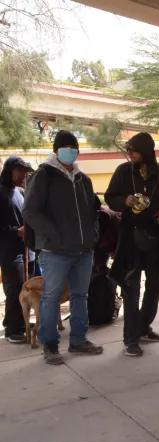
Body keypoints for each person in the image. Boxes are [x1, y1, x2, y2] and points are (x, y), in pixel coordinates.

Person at [22, 130, 103, 365]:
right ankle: (50, 345)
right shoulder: (44, 175)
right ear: (56, 150)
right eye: (65, 147)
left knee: (80, 295)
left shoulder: (83, 179)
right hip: (54, 251)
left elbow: (94, 212)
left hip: (83, 249)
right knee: (50, 297)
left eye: (73, 148)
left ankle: (78, 340)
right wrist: (52, 234)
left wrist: (92, 234)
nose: (69, 151)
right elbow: (30, 211)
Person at [105, 132, 159, 357]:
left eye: (133, 149)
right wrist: (124, 201)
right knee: (131, 288)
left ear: (146, 151)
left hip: (155, 239)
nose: (129, 153)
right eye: (128, 149)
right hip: (130, 239)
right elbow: (110, 197)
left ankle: (144, 327)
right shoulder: (123, 171)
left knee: (156, 283)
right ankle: (131, 339)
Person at [0, 156, 35, 343]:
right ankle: (12, 329)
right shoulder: (1, 193)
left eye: (24, 171)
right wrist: (16, 231)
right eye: (19, 170)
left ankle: (21, 323)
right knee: (14, 289)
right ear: (9, 170)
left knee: (26, 289)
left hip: (25, 249)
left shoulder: (19, 192)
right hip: (9, 251)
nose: (23, 174)